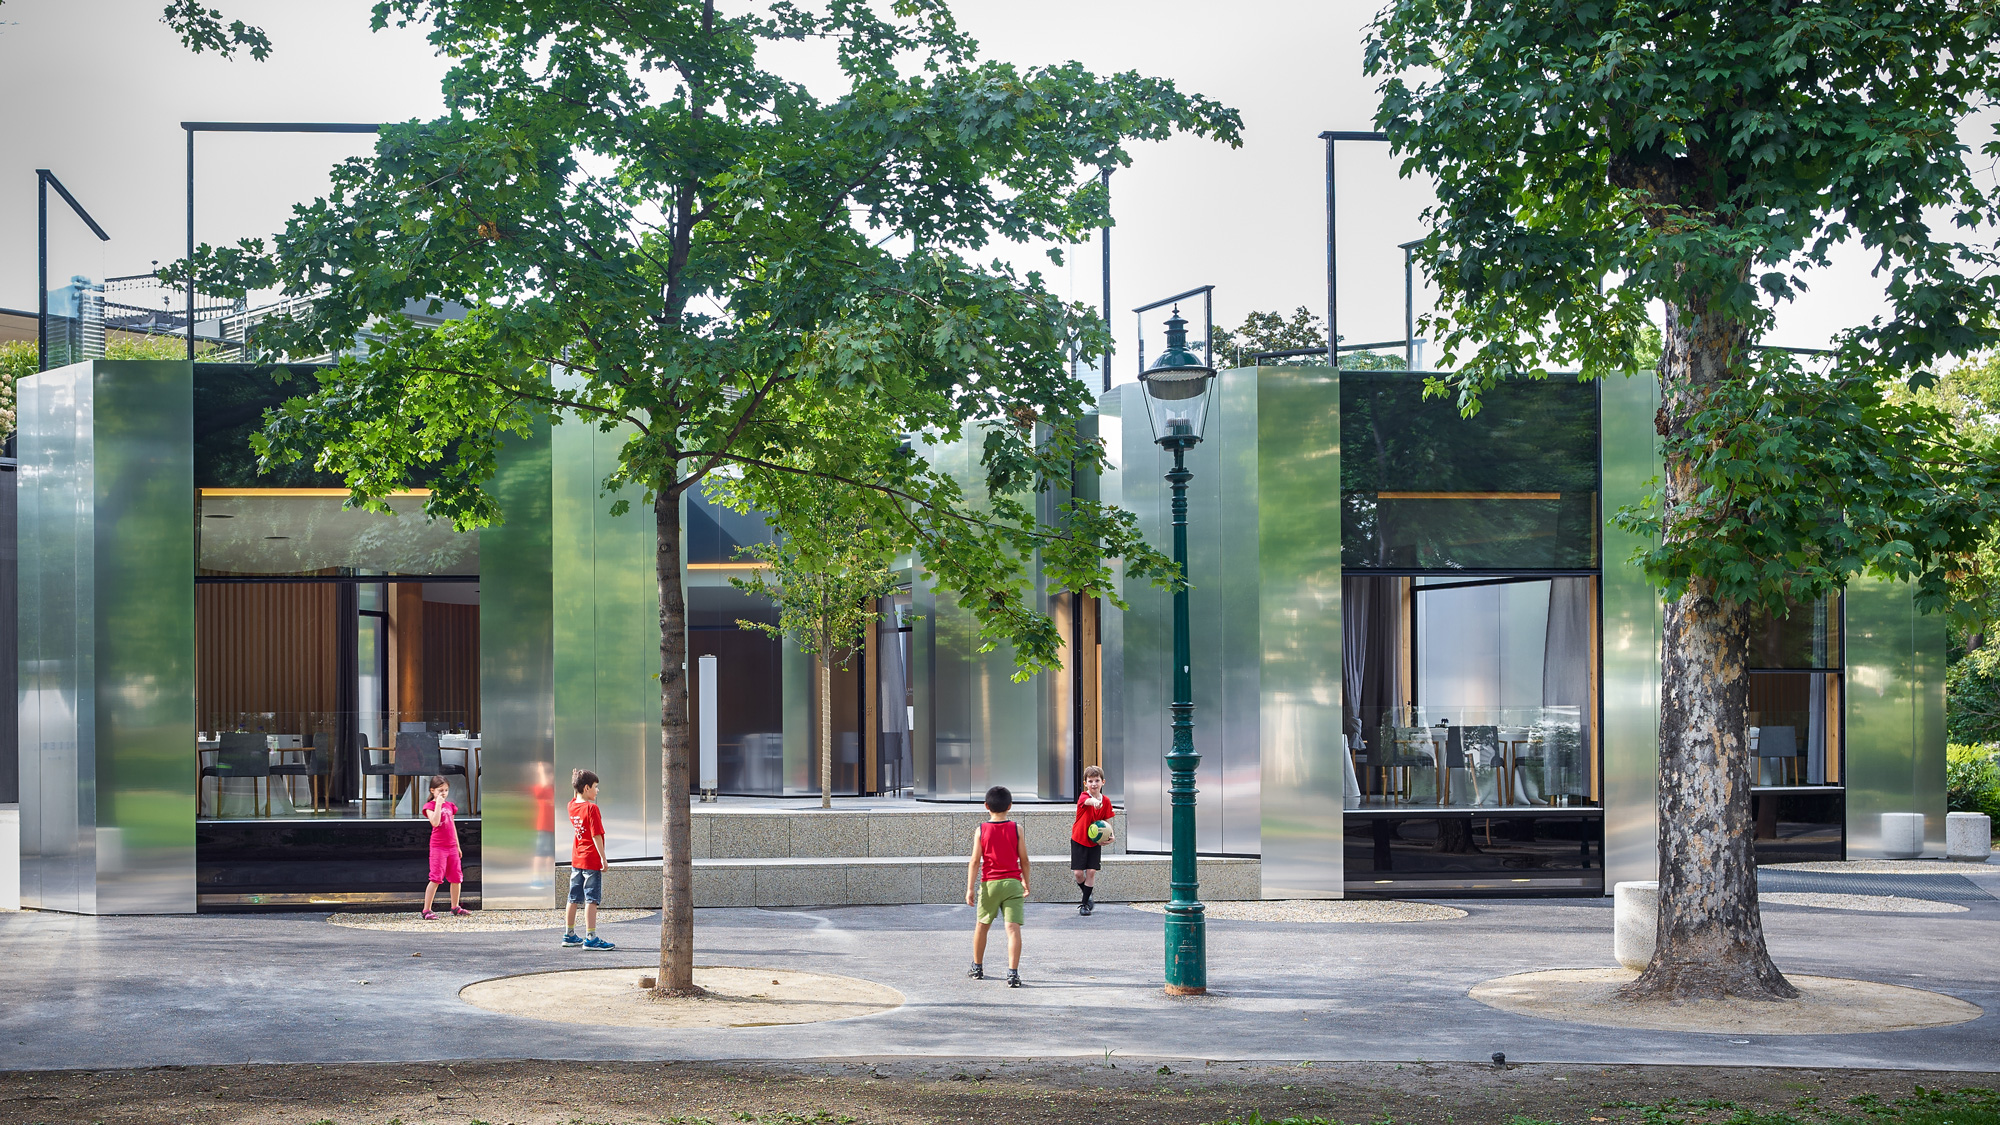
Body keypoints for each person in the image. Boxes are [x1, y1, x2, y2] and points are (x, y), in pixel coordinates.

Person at [965, 785, 1029, 987]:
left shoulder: (981, 830)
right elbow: (1024, 859)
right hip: (1012, 883)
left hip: (989, 884)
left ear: (986, 806)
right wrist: (1026, 882)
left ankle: (977, 967)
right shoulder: (1017, 829)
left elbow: (975, 861)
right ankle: (1013, 974)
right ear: (1010, 806)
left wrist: (970, 888)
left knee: (982, 926)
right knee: (1013, 929)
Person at [564, 769, 615, 949]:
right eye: (595, 787)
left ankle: (569, 934)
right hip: (591, 860)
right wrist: (603, 859)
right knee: (591, 899)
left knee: (573, 898)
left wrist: (575, 779)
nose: (597, 790)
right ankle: (591, 937)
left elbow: (575, 795)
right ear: (586, 788)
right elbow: (596, 836)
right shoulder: (592, 809)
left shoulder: (572, 806)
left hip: (577, 859)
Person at [421, 776, 469, 920]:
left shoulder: (450, 806)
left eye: (446, 790)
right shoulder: (429, 806)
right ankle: (426, 909)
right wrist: (438, 805)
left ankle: (455, 906)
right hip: (438, 847)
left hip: (451, 846)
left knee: (456, 877)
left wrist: (457, 845)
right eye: (440, 790)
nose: (444, 793)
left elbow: (452, 826)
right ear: (432, 790)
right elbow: (435, 822)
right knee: (436, 877)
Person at [1070, 764, 1115, 915]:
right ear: (1085, 783)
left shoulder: (1106, 801)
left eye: (1097, 780)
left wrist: (1111, 835)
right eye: (1090, 781)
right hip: (1079, 839)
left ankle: (1084, 905)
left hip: (1095, 841)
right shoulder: (1084, 796)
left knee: (1091, 871)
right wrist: (1094, 802)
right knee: (1078, 873)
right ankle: (1087, 894)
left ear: (1103, 782)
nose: (1094, 784)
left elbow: (1107, 820)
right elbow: (1088, 802)